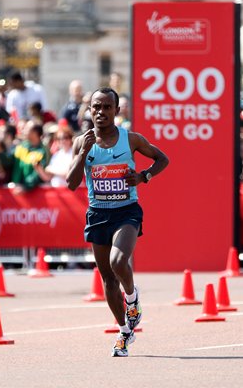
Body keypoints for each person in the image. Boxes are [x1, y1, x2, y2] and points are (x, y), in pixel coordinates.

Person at [67, 87, 169, 357]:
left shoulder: (131, 139)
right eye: (96, 107)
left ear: (116, 110)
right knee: (108, 280)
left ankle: (132, 298)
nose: (101, 112)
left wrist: (144, 176)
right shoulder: (82, 142)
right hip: (98, 214)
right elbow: (70, 183)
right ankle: (124, 331)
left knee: (118, 262)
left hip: (126, 211)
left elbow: (162, 159)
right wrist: (82, 154)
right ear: (90, 111)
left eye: (106, 107)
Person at [11, 124, 48, 194]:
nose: (23, 131)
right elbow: (9, 163)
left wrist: (25, 186)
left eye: (26, 129)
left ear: (35, 133)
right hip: (17, 191)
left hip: (36, 194)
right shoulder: (21, 147)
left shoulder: (42, 151)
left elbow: (38, 172)